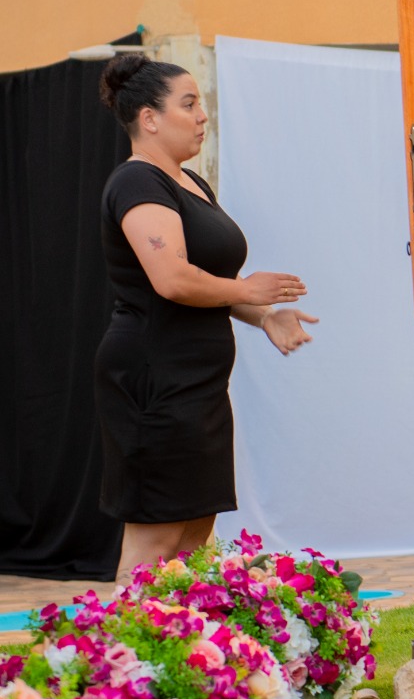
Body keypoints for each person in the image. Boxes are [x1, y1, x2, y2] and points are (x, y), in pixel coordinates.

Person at [95, 54, 318, 581]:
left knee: (196, 535)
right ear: (149, 118)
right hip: (154, 378)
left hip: (198, 382)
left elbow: (206, 279)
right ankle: (125, 660)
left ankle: (191, 657)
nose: (202, 116)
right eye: (189, 104)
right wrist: (246, 287)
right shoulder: (137, 183)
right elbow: (171, 278)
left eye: (202, 104)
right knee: (157, 538)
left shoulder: (190, 183)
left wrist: (263, 316)